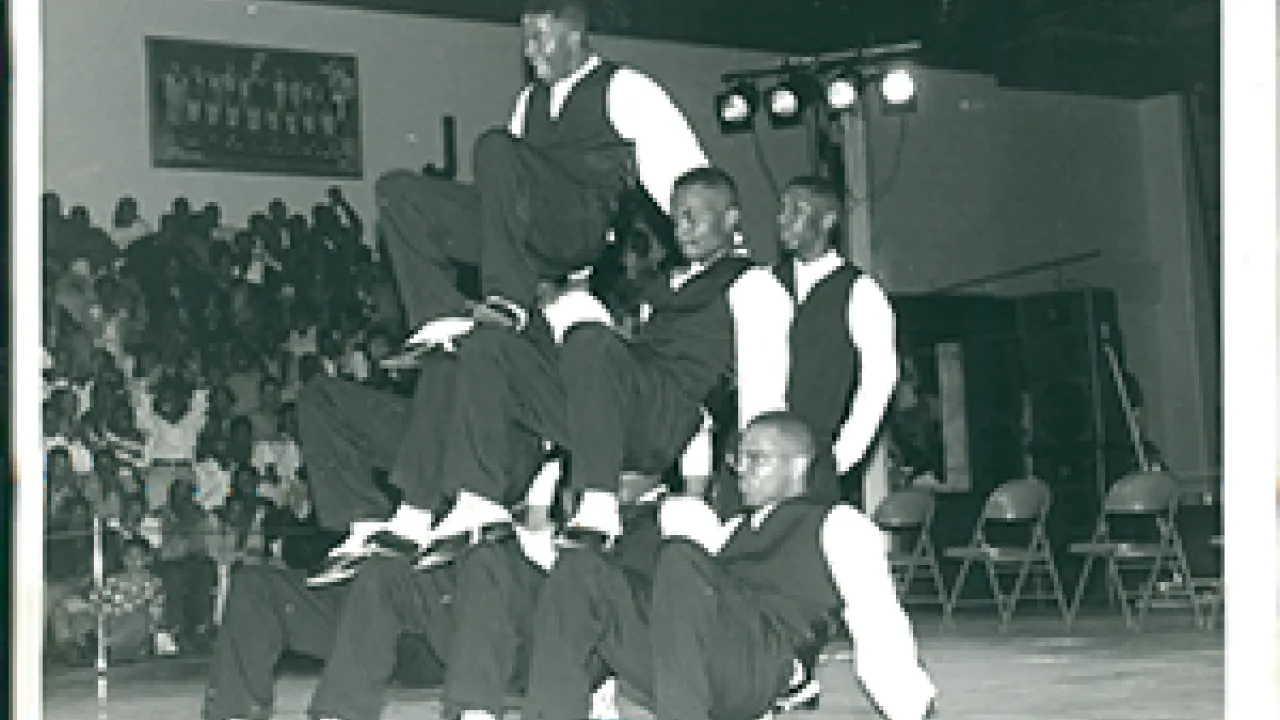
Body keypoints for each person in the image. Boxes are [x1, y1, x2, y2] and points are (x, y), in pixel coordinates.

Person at [412, 166, 791, 563]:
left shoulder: (754, 284)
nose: (682, 229)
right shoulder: (661, 285)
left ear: (731, 219)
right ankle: (477, 500)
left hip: (666, 415)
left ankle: (599, 505)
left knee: (589, 336)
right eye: (676, 217)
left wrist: (760, 477)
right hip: (612, 413)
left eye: (694, 216)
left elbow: (764, 388)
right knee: (489, 343)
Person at [523, 411, 937, 720]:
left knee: (679, 555)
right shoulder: (731, 529)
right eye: (739, 460)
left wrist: (913, 709)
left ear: (797, 466)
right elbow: (684, 607)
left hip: (761, 663)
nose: (742, 471)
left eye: (757, 459)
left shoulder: (837, 522)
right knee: (582, 566)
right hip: (694, 662)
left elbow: (878, 619)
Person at [376, 0, 710, 363]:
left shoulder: (624, 88)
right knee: (397, 191)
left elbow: (686, 177)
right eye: (525, 40)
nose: (528, 51)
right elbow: (504, 192)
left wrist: (720, 255)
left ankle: (508, 301)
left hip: (577, 230)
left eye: (538, 39)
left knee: (494, 146)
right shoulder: (528, 101)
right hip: (527, 234)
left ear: (574, 36)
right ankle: (439, 320)